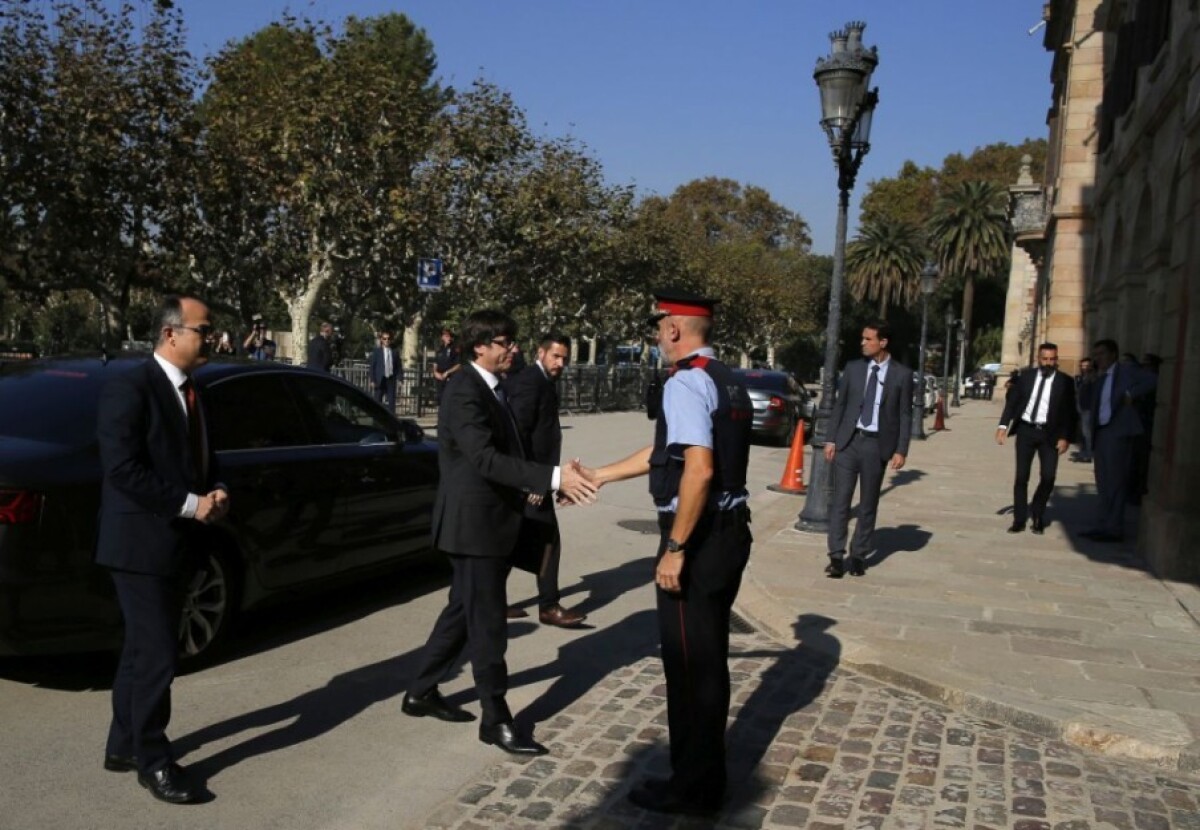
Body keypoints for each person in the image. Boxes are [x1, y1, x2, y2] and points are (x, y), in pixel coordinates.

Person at [582, 289, 753, 817]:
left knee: (688, 668)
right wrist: (601, 476)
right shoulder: (726, 377)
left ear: (675, 330)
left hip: (697, 538)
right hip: (729, 533)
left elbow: (697, 469)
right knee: (707, 661)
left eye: (659, 328)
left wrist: (675, 548)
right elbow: (669, 453)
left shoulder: (685, 382)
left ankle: (694, 787)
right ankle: (702, 776)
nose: (658, 337)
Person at [402, 309, 597, 757]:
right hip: (473, 529)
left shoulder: (496, 387)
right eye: (505, 342)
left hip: (495, 524)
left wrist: (552, 480)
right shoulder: (463, 390)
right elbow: (485, 459)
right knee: (488, 626)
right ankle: (496, 719)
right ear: (480, 347)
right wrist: (551, 479)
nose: (514, 348)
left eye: (514, 341)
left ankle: (420, 692)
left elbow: (519, 448)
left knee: (461, 611)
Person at [95, 295, 229, 804]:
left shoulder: (195, 391)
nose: (211, 338)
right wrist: (190, 503)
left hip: (176, 542)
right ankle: (154, 759)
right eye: (204, 329)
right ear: (171, 334)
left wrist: (218, 490)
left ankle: (124, 743)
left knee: (141, 650)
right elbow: (123, 469)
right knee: (157, 655)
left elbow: (204, 459)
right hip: (137, 543)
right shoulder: (129, 386)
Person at [502, 332, 586, 628]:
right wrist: (534, 482)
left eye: (565, 358)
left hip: (537, 476)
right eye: (556, 356)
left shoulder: (544, 381)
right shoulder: (530, 381)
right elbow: (519, 435)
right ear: (541, 353)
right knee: (548, 540)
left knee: (512, 540)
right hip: (531, 480)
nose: (561, 363)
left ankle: (492, 600)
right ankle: (548, 606)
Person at [824, 321, 914, 578]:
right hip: (849, 442)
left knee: (868, 504)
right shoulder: (853, 369)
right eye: (862, 338)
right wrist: (831, 440)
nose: (862, 343)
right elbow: (840, 406)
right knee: (841, 501)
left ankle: (859, 555)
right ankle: (836, 556)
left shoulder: (902, 374)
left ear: (883, 342)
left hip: (877, 445)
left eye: (868, 339)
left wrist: (901, 449)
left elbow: (905, 415)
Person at [995, 343, 1076, 534]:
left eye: (1052, 359)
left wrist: (1065, 437)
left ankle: (1038, 513)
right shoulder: (1026, 378)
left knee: (1048, 477)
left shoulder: (1065, 381)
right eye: (1045, 359)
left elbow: (1070, 413)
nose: (1048, 363)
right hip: (1026, 431)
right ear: (1038, 359)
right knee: (1021, 477)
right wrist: (1002, 426)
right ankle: (1019, 520)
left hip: (1050, 434)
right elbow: (1013, 403)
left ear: (1056, 360)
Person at [1081, 339, 1157, 541]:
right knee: (1103, 481)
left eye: (1102, 354)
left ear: (1113, 354)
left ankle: (1114, 528)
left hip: (1119, 431)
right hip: (1102, 432)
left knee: (1116, 481)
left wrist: (1132, 394)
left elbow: (1151, 380)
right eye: (1096, 355)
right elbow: (1089, 403)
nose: (1098, 358)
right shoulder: (1099, 377)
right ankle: (1103, 524)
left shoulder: (1126, 370)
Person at [368, 331, 401, 412]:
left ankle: (391, 421)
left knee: (391, 403)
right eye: (384, 338)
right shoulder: (377, 352)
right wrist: (372, 380)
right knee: (377, 402)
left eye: (388, 339)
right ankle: (376, 421)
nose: (387, 340)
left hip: (390, 379)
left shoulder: (394, 352)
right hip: (380, 379)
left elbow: (399, 367)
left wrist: (400, 379)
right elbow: (372, 366)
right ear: (381, 340)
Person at [1074, 357, 1096, 462]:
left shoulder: (1093, 377)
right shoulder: (1081, 377)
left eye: (1086, 366)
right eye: (1082, 366)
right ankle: (1084, 452)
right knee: (1082, 432)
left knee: (1087, 433)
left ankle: (1088, 454)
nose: (1084, 368)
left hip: (1088, 408)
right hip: (1081, 407)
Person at [432, 327, 459, 404]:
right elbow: (435, 363)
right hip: (440, 378)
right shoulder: (439, 349)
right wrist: (435, 372)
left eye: (450, 336)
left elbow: (459, 364)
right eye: (446, 336)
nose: (449, 338)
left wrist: (447, 372)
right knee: (440, 398)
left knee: (449, 399)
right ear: (442, 337)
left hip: (450, 377)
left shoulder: (455, 348)